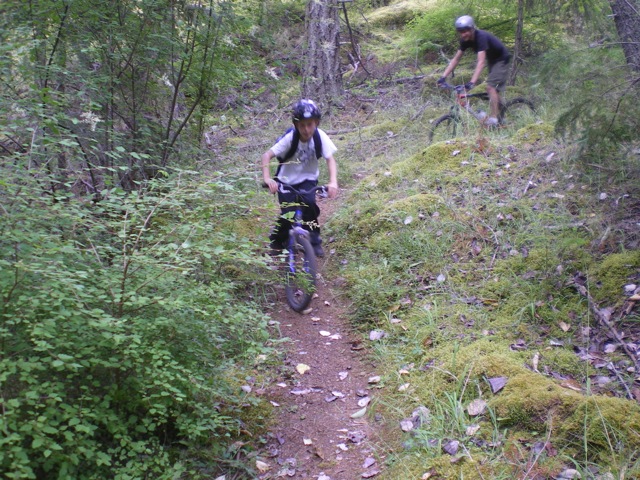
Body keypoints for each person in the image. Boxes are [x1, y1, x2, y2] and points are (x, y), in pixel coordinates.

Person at [261, 99, 338, 258]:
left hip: (308, 179)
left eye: (310, 124)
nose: (306, 129)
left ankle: (314, 241)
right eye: (302, 125)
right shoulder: (290, 138)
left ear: (316, 123)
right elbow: (266, 156)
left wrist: (333, 181)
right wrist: (268, 179)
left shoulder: (320, 136)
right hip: (285, 180)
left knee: (309, 205)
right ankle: (278, 241)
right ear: (296, 125)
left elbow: (330, 159)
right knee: (288, 214)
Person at [437, 15, 511, 127]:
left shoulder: (481, 37)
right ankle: (502, 113)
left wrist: (472, 83)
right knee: (493, 91)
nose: (463, 34)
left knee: (490, 88)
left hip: (502, 59)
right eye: (461, 32)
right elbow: (456, 59)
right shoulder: (465, 41)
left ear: (472, 29)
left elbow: (481, 62)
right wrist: (443, 77)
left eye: (465, 31)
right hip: (492, 60)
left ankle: (494, 119)